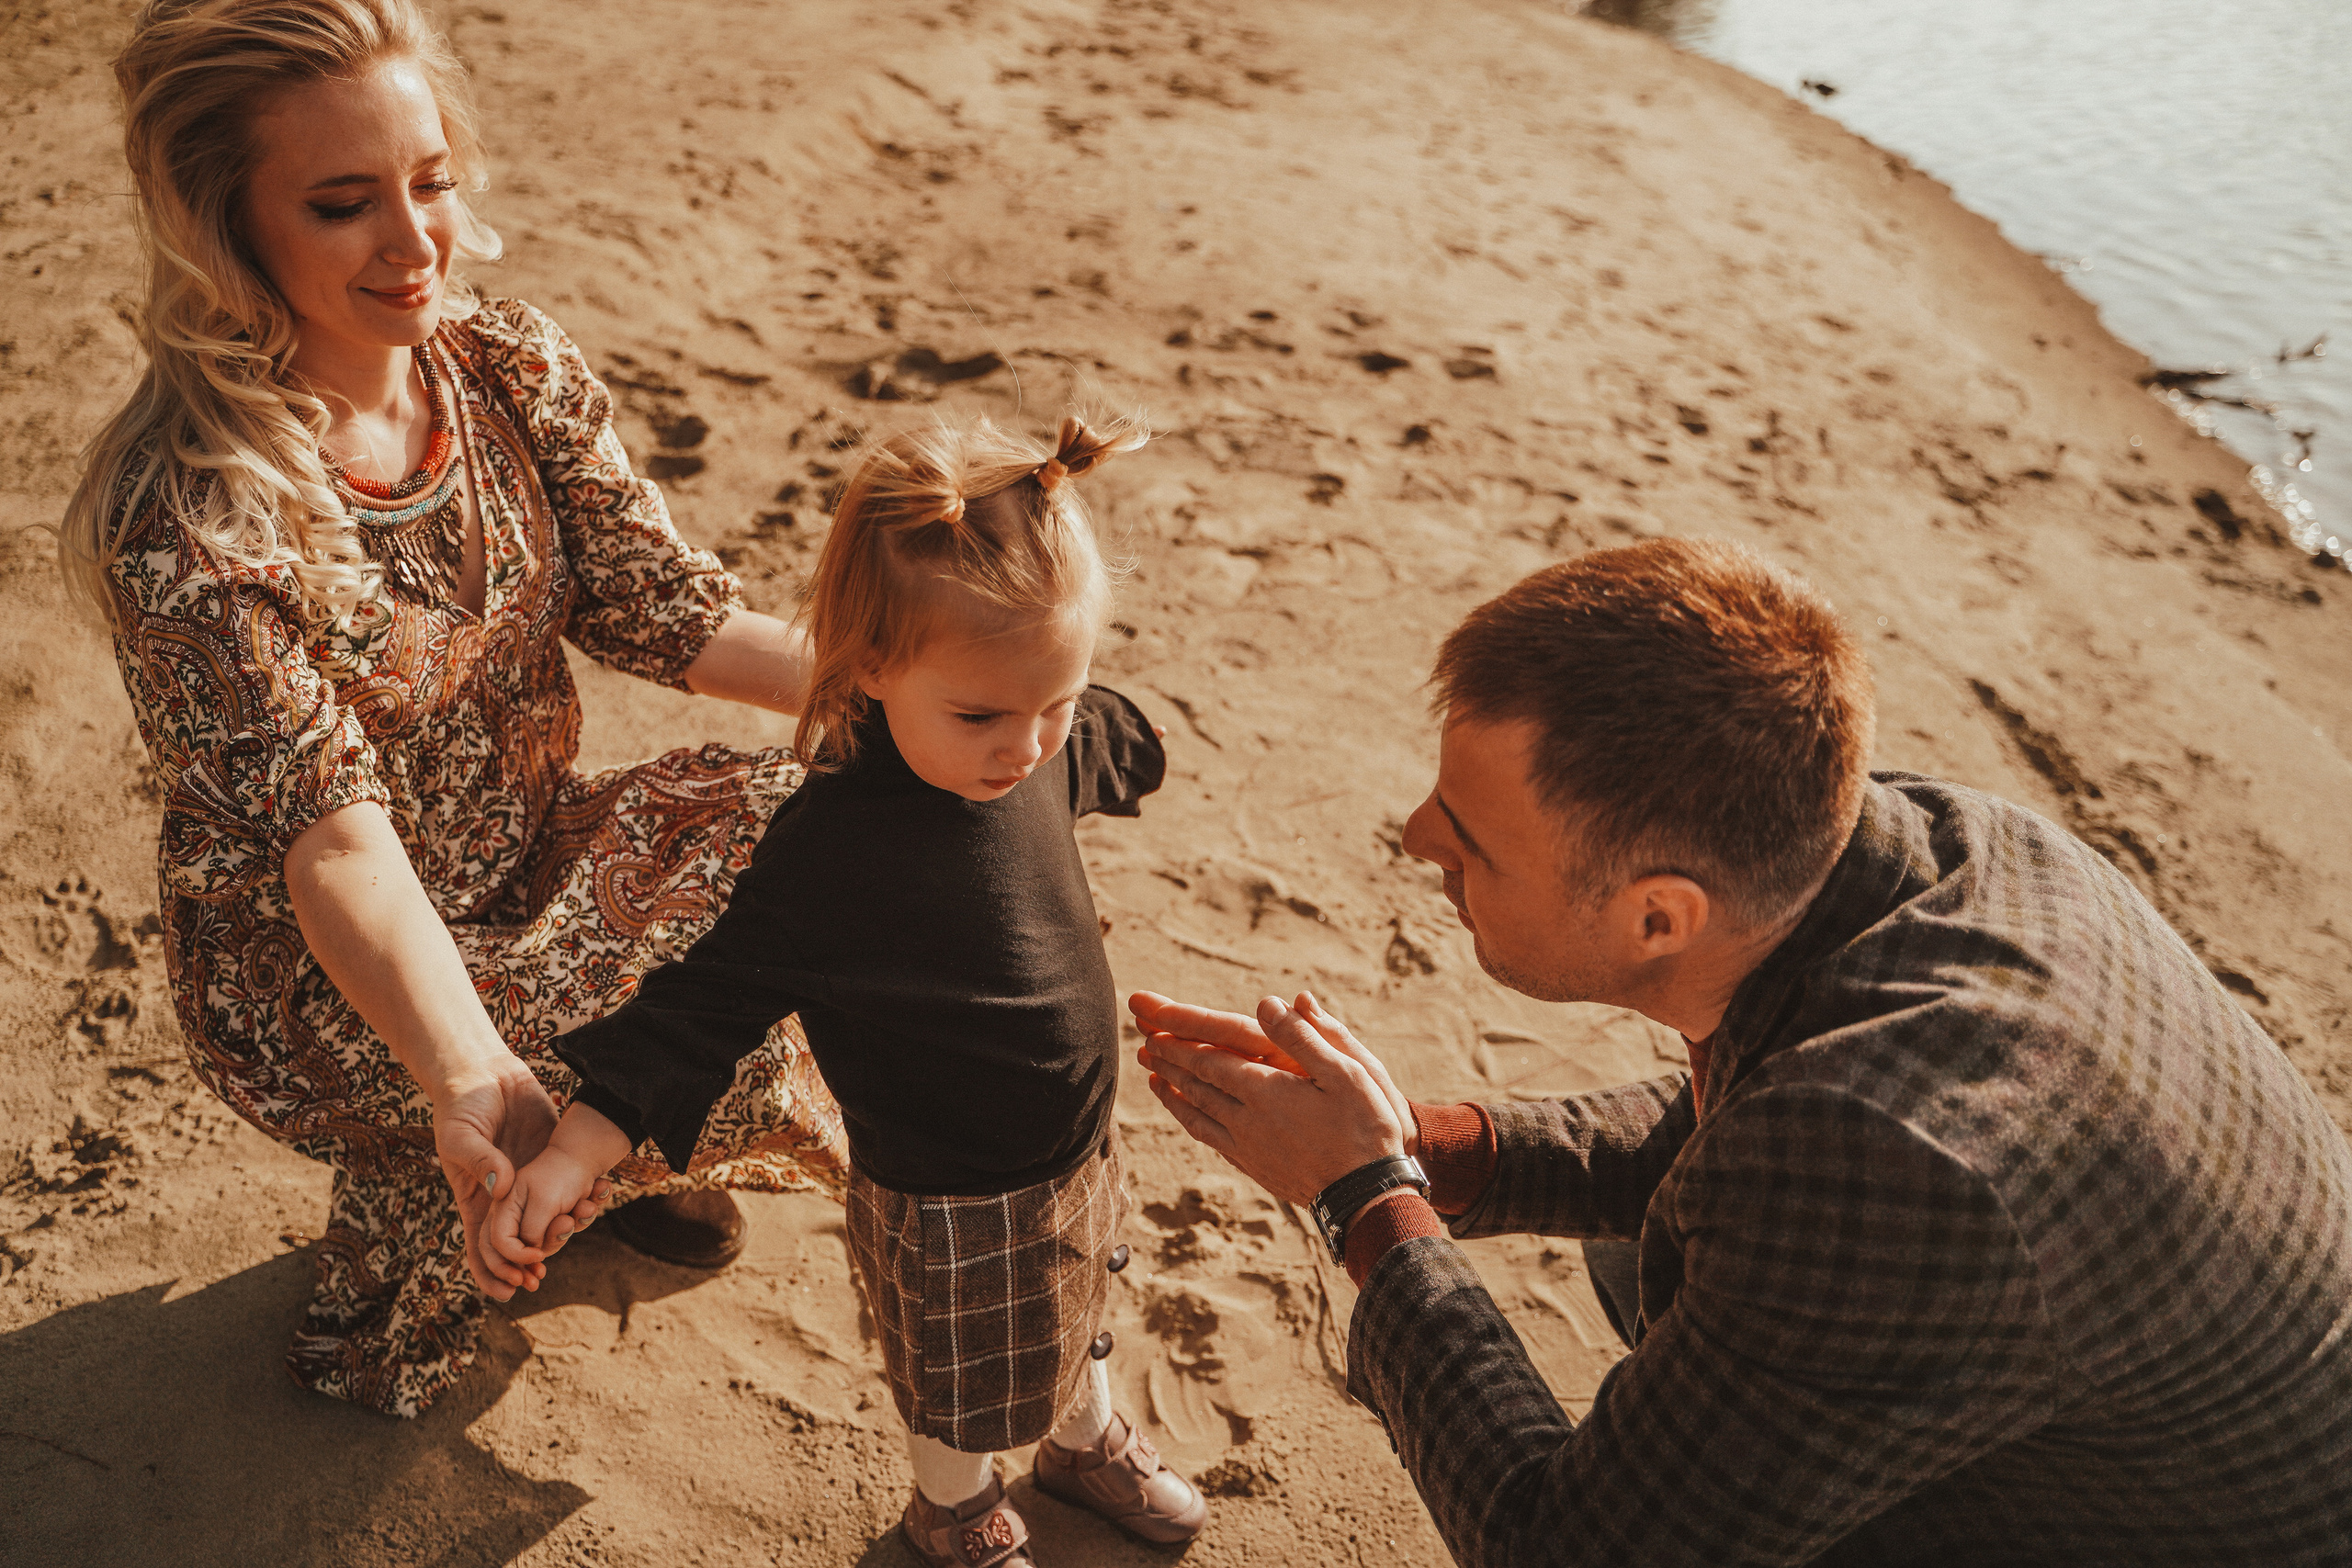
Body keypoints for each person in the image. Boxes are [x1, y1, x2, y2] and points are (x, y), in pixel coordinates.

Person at [1134, 538, 2352, 1565]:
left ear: (1660, 916)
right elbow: (1747, 1126)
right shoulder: (1962, 842)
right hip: (2137, 1412)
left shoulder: (1887, 1162)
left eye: (1468, 839)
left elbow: (1562, 1545)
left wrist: (1363, 1195)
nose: (1413, 836)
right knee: (1656, 1249)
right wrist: (1436, 1146)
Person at [61, 0, 849, 1418]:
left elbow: (662, 606)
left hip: (527, 851)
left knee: (836, 825)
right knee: (597, 1025)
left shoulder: (502, 362)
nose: (414, 240)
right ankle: (421, 1230)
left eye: (431, 180)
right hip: (318, 970)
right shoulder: (191, 513)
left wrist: (905, 684)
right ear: (229, 229)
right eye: (343, 203)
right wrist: (469, 1069)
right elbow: (338, 844)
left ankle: (592, 1159)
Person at [499, 415, 1212, 1568]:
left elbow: (1100, 742)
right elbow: (699, 1007)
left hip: (1077, 1150)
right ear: (872, 666)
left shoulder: (1025, 740)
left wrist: (1131, 734)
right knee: (957, 1375)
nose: (1027, 747)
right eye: (983, 713)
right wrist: (581, 1150)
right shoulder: (831, 852)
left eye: (1059, 698)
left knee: (1081, 1308)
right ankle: (953, 1506)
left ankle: (1080, 1443)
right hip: (944, 1199)